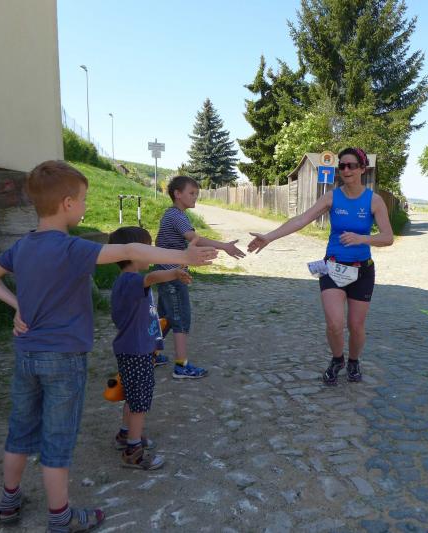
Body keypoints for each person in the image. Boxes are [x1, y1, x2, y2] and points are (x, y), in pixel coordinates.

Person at [0, 161, 216, 532]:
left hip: (26, 355)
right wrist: (183, 256)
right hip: (64, 359)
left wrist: (18, 304)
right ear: (68, 204)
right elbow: (128, 249)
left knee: (19, 432)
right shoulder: (71, 248)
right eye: (84, 199)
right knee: (57, 441)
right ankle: (60, 517)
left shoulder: (22, 246)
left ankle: (9, 501)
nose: (86, 205)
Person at [247, 148, 394, 384]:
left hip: (362, 270)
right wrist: (269, 237)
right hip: (332, 268)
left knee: (356, 326)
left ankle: (353, 361)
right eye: (342, 166)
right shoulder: (331, 197)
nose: (346, 170)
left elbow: (388, 237)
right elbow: (301, 219)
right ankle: (337, 359)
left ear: (362, 169)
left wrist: (362, 239)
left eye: (351, 165)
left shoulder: (374, 200)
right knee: (335, 324)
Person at [108, 226, 194, 470]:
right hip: (135, 351)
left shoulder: (128, 281)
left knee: (133, 394)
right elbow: (152, 277)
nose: (152, 253)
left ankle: (125, 433)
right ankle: (133, 450)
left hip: (135, 348)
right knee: (140, 401)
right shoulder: (132, 280)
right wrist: (174, 272)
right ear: (133, 254)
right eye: (148, 249)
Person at [155, 175, 245, 379]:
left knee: (164, 317)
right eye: (192, 193)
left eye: (197, 193)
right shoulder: (176, 216)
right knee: (180, 318)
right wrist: (224, 246)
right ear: (178, 194)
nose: (195, 197)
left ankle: (151, 354)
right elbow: (194, 238)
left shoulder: (174, 214)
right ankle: (181, 366)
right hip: (173, 275)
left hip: (165, 272)